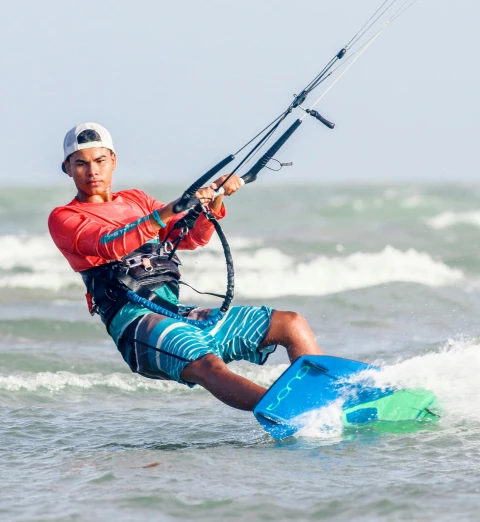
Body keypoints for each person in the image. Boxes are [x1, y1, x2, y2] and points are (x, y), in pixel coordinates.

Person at [48, 123, 323, 411]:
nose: (92, 171)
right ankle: (293, 413)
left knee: (289, 323)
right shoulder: (65, 217)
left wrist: (216, 196)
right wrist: (170, 209)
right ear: (67, 168)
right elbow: (109, 245)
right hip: (135, 325)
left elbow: (191, 236)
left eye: (100, 161)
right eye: (81, 164)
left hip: (177, 314)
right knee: (209, 366)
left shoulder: (137, 200)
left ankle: (324, 397)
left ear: (113, 161)